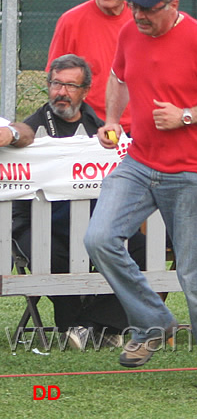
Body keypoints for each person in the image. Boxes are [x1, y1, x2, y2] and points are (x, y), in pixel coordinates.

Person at [82, 0, 197, 388]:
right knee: (99, 238)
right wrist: (113, 120)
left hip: (193, 172)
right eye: (133, 7)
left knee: (195, 275)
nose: (139, 16)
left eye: (148, 9)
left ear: (172, 5)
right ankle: (153, 320)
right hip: (140, 162)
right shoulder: (130, 32)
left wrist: (187, 116)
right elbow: (119, 78)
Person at [11, 54, 145, 349]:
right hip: (37, 221)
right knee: (53, 253)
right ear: (48, 86)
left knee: (141, 247)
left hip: (93, 222)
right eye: (56, 84)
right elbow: (18, 136)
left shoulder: (97, 126)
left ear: (85, 92)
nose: (61, 93)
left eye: (71, 86)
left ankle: (105, 323)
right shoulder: (34, 126)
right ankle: (74, 327)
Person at [47, 0, 136, 133]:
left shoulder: (140, 22)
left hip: (134, 127)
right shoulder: (70, 21)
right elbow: (55, 78)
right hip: (86, 126)